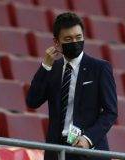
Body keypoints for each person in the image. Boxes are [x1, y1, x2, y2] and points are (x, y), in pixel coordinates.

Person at [26, 12, 118, 160]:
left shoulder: (100, 68)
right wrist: (45, 66)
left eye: (79, 37)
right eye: (68, 39)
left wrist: (88, 139)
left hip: (87, 151)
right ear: (56, 42)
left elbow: (110, 112)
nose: (75, 42)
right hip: (56, 150)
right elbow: (32, 101)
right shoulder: (52, 69)